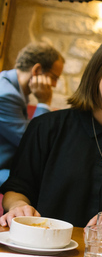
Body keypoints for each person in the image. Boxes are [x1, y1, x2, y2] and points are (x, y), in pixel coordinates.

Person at [0, 31, 102, 228]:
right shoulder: (45, 128)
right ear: (97, 70)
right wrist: (19, 205)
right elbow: (17, 188)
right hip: (44, 249)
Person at [0, 42, 64, 185]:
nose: (54, 85)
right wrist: (44, 101)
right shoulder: (5, 96)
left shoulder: (12, 86)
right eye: (54, 77)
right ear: (37, 70)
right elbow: (32, 143)